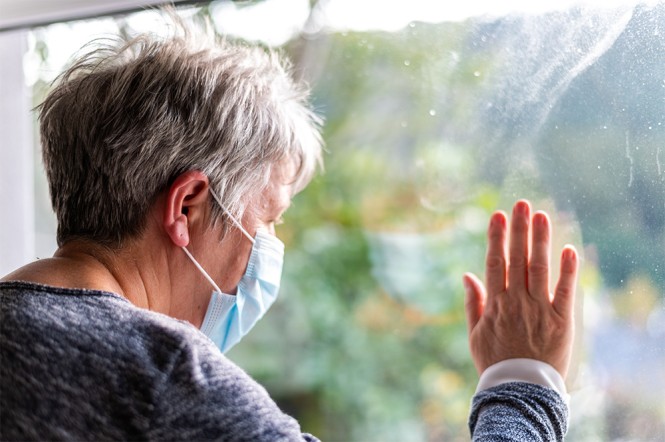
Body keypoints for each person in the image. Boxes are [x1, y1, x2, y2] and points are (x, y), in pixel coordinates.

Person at [0, 13, 578, 441]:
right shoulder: (167, 384)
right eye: (268, 219)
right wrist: (521, 379)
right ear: (188, 206)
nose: (270, 249)